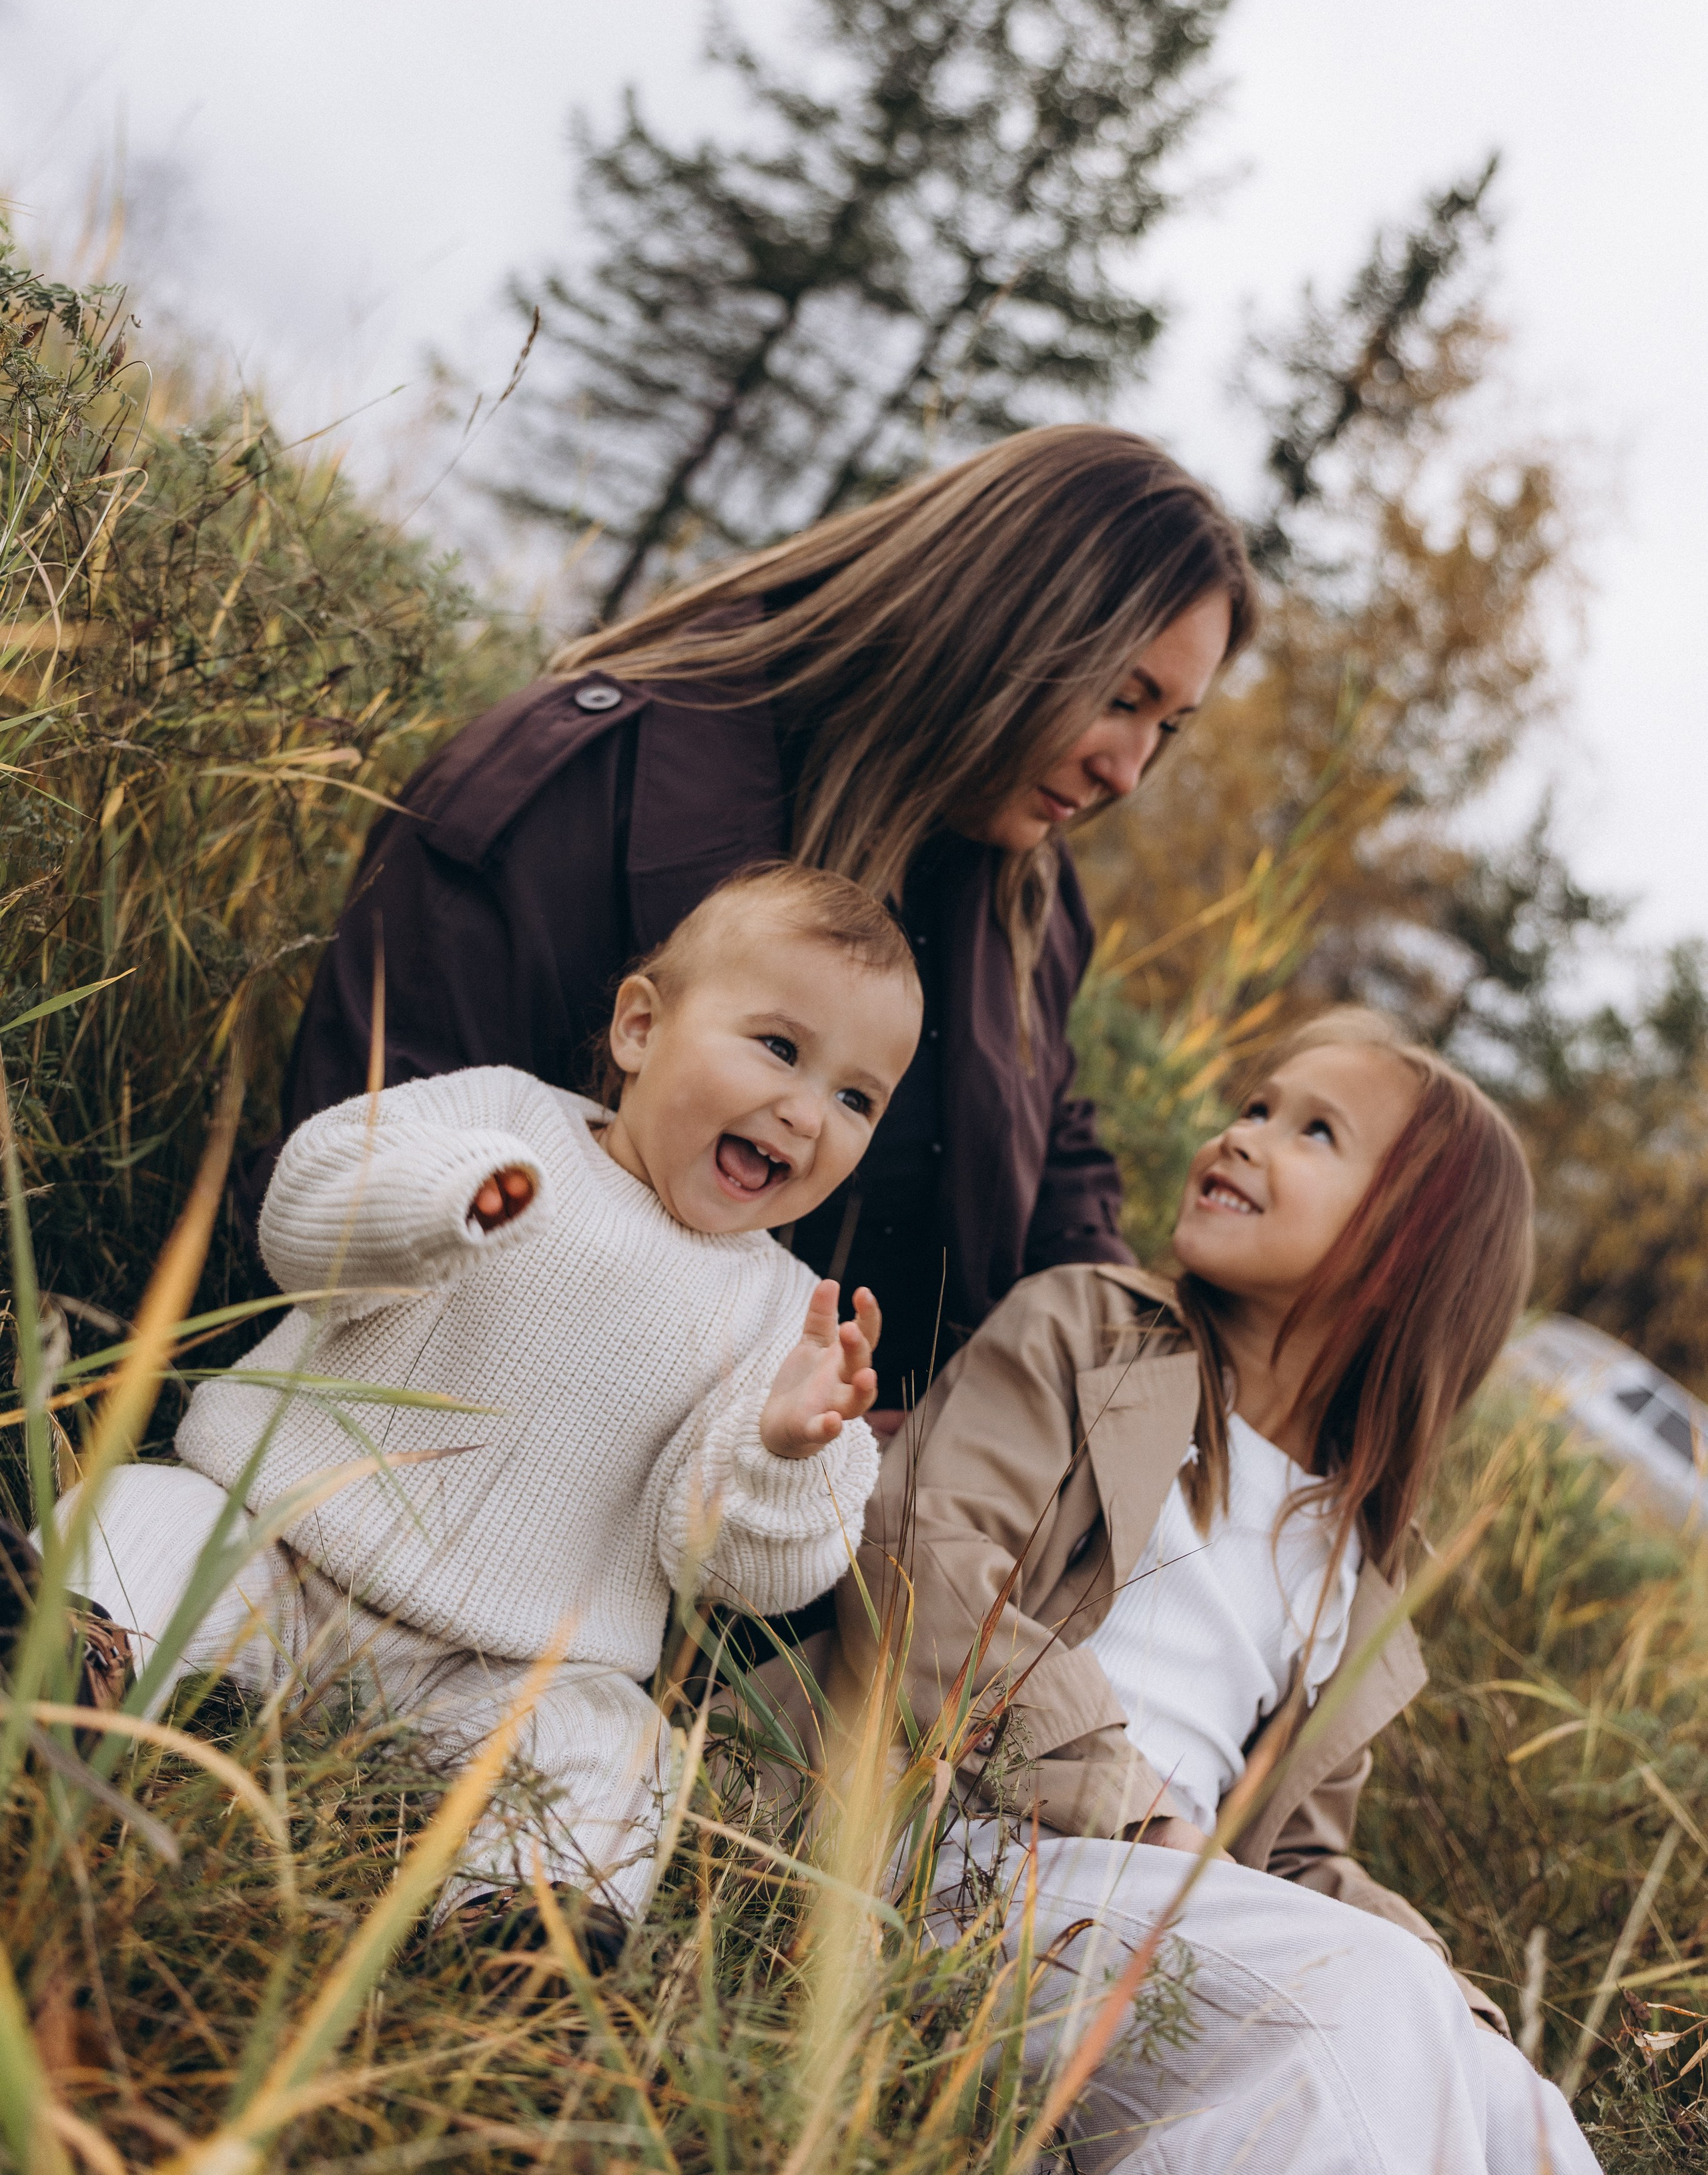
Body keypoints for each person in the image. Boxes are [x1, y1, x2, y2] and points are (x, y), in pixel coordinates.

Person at [266, 426, 1256, 1416]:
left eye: (1167, 726)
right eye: (1121, 699)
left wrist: (1141, 1374)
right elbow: (357, 1185)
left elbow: (1049, 1136)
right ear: (996, 627)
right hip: (495, 1478)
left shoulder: (1026, 885)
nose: (1129, 771)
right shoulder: (583, 787)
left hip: (863, 1512)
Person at [40, 864, 919, 1935]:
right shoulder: (507, 1117)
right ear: (640, 1028)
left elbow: (737, 1570)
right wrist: (433, 1201)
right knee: (140, 1518)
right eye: (779, 1049)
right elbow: (304, 1210)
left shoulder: (785, 1312)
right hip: (275, 1545)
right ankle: (71, 1663)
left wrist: (786, 1450)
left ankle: (528, 1921)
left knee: (618, 1747)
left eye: (856, 1097)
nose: (804, 1111)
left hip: (503, 1673)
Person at [821, 1007, 1599, 2172]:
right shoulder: (1087, 1329)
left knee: (1522, 2115)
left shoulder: (1354, 1554)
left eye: (1314, 1131)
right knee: (1355, 1996)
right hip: (968, 1840)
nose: (1243, 1136)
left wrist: (1445, 1992)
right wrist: (1143, 1813)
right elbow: (924, 1563)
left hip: (1179, 1901)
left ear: (1405, 1259)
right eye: (1255, 1106)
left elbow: (1293, 1861)